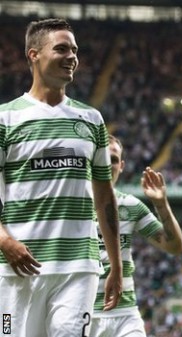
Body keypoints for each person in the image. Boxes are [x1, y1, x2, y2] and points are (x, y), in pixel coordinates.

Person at [0, 18, 122, 336]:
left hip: (78, 267)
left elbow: (104, 197)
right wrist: (3, 240)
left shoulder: (91, 119)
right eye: (62, 48)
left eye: (75, 50)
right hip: (19, 268)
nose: (72, 57)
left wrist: (116, 265)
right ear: (34, 54)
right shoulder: (6, 118)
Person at [89, 135, 182, 337]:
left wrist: (161, 204)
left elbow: (174, 246)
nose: (108, 165)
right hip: (83, 314)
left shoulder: (131, 206)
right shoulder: (70, 204)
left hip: (125, 315)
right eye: (102, 158)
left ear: (121, 166)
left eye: (114, 160)